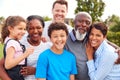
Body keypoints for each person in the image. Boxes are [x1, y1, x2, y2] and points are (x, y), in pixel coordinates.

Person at [65, 12, 120, 80]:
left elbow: (106, 42)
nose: (84, 24)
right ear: (74, 22)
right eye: (80, 21)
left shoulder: (90, 37)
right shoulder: (65, 39)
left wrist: (118, 49)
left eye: (87, 23)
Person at [0, 15, 52, 80]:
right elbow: (2, 65)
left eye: (39, 27)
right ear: (27, 29)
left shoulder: (48, 47)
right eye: (31, 28)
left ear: (43, 28)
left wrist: (35, 71)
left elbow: (56, 69)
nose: (35, 31)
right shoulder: (20, 44)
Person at [1, 16, 34, 80]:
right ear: (10, 28)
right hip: (15, 74)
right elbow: (7, 65)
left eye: (24, 29)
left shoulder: (12, 41)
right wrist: (25, 54)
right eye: (20, 28)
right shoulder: (12, 43)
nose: (23, 31)